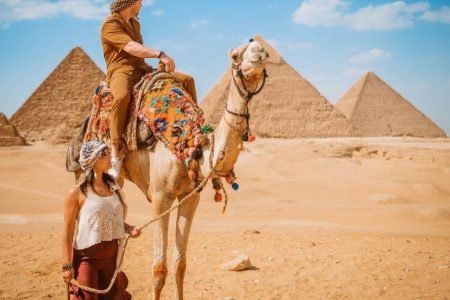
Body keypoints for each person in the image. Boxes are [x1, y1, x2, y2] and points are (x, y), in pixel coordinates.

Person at [102, 0, 198, 178]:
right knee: (122, 96)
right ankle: (115, 151)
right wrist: (159, 54)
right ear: (129, 2)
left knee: (187, 80)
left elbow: (138, 52)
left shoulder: (135, 24)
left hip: (142, 69)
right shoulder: (110, 24)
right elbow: (131, 47)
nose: (141, 5)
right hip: (121, 72)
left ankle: (195, 127)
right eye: (139, 1)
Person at [61, 140, 141, 299]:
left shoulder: (113, 187)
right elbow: (67, 233)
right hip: (87, 259)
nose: (109, 157)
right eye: (103, 154)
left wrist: (129, 228)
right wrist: (66, 266)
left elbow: (110, 220)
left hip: (111, 258)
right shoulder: (76, 193)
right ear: (92, 161)